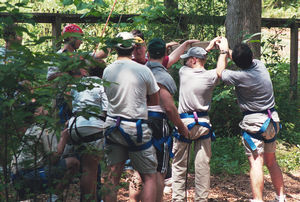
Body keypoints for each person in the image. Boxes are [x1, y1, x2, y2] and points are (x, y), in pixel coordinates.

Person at [219, 43, 285, 202]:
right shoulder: (260, 66)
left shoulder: (239, 76)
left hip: (254, 122)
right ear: (252, 57)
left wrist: (222, 50)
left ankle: (257, 199)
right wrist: (230, 51)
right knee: (271, 161)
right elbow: (242, 58)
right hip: (271, 121)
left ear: (235, 60)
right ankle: (281, 197)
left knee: (256, 162)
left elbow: (220, 72)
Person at [102, 32, 160, 202]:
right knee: (149, 177)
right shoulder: (143, 70)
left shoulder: (107, 70)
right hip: (136, 128)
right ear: (134, 48)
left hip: (113, 126)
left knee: (112, 176)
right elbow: (154, 101)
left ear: (115, 48)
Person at [172, 37, 227, 202]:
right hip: (203, 124)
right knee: (203, 166)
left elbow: (196, 61)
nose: (185, 62)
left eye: (188, 59)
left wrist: (206, 48)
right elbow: (220, 69)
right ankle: (201, 199)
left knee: (179, 165)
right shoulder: (211, 77)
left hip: (184, 123)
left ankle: (178, 199)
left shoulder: (184, 72)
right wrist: (221, 51)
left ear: (193, 60)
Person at [145, 38, 189, 202]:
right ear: (164, 54)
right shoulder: (162, 76)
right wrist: (181, 127)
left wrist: (184, 46)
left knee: (140, 169)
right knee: (158, 171)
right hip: (157, 123)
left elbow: (170, 60)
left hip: (138, 121)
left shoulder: (141, 70)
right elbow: (169, 108)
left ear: (148, 54)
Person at [11, 107, 80, 201]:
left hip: (16, 177)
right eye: (43, 109)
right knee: (74, 163)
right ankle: (54, 198)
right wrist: (63, 138)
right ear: (37, 115)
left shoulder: (31, 128)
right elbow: (53, 159)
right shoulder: (46, 129)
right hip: (29, 177)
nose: (47, 110)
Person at [66, 64, 108, 201]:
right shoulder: (102, 85)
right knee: (90, 170)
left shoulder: (79, 84)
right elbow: (107, 110)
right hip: (92, 126)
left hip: (74, 125)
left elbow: (69, 98)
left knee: (83, 167)